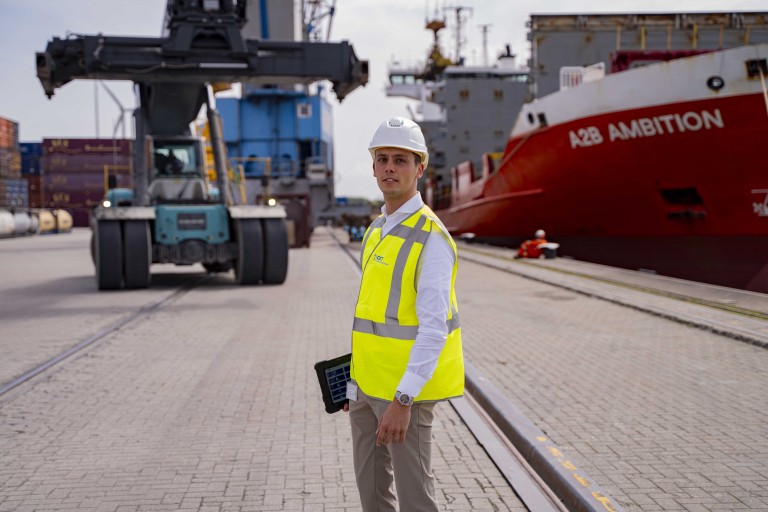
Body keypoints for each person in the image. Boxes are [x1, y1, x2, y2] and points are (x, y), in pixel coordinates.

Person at [344, 117, 464, 512]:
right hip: (365, 388)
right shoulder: (376, 229)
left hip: (402, 395)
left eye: (400, 159)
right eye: (383, 159)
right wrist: (351, 381)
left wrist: (403, 400)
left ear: (420, 168)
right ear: (374, 166)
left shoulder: (431, 237)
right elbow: (371, 315)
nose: (390, 167)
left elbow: (433, 329)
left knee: (416, 498)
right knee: (372, 493)